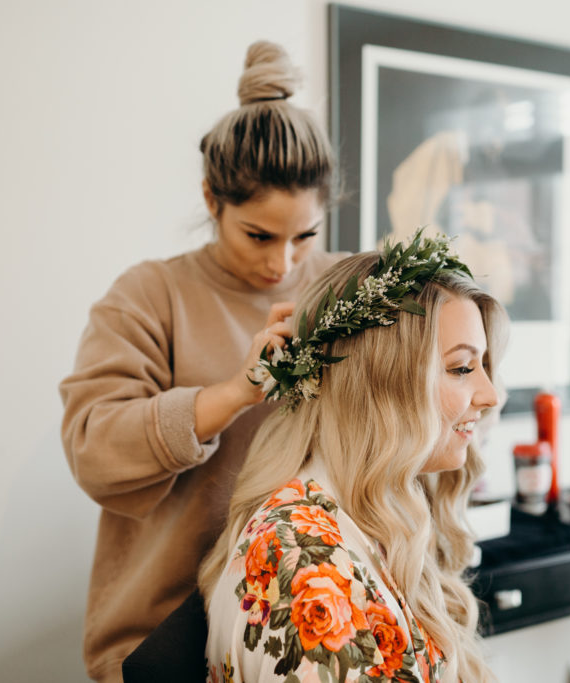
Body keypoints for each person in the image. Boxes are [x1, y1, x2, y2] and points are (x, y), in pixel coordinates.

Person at [59, 40, 343, 683]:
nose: (283, 265)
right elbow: (92, 450)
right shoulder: (149, 295)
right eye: (259, 236)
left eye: (305, 237)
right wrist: (237, 392)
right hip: (167, 636)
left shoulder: (341, 290)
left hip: (313, 626)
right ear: (213, 199)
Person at [199, 232, 507, 682]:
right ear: (381, 386)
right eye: (462, 368)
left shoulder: (378, 514)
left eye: (483, 366)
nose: (491, 395)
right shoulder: (305, 569)